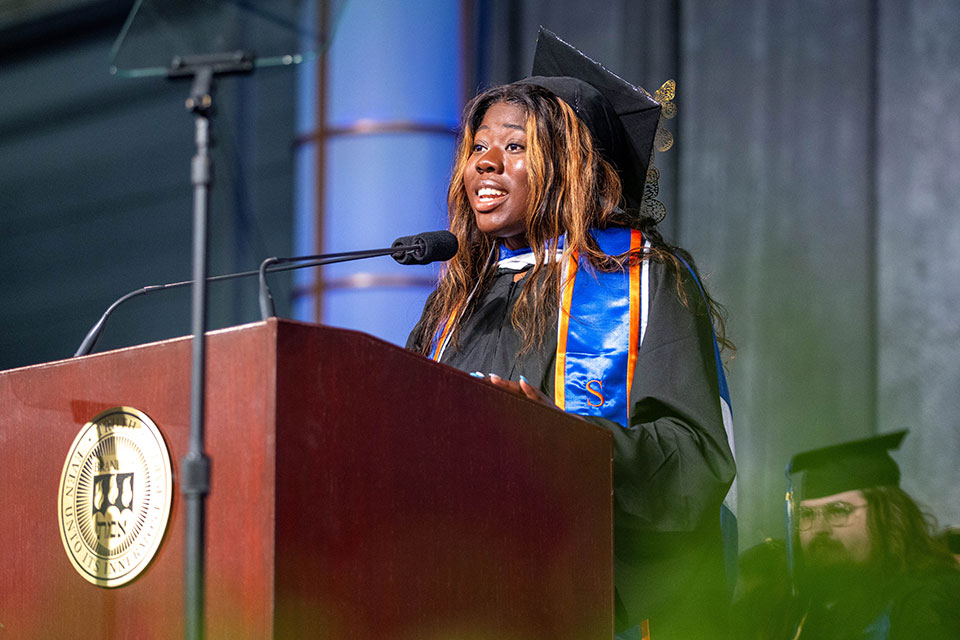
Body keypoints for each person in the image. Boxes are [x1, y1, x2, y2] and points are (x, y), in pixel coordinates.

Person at [407, 29, 736, 639]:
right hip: (465, 604)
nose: (484, 161)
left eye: (515, 146)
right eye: (479, 146)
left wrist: (567, 444)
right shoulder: (453, 307)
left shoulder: (643, 281)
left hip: (602, 606)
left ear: (570, 164)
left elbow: (696, 462)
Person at [786, 431, 960, 639]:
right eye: (806, 515)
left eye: (839, 511)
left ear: (888, 516)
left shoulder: (930, 597)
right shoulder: (818, 606)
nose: (819, 528)